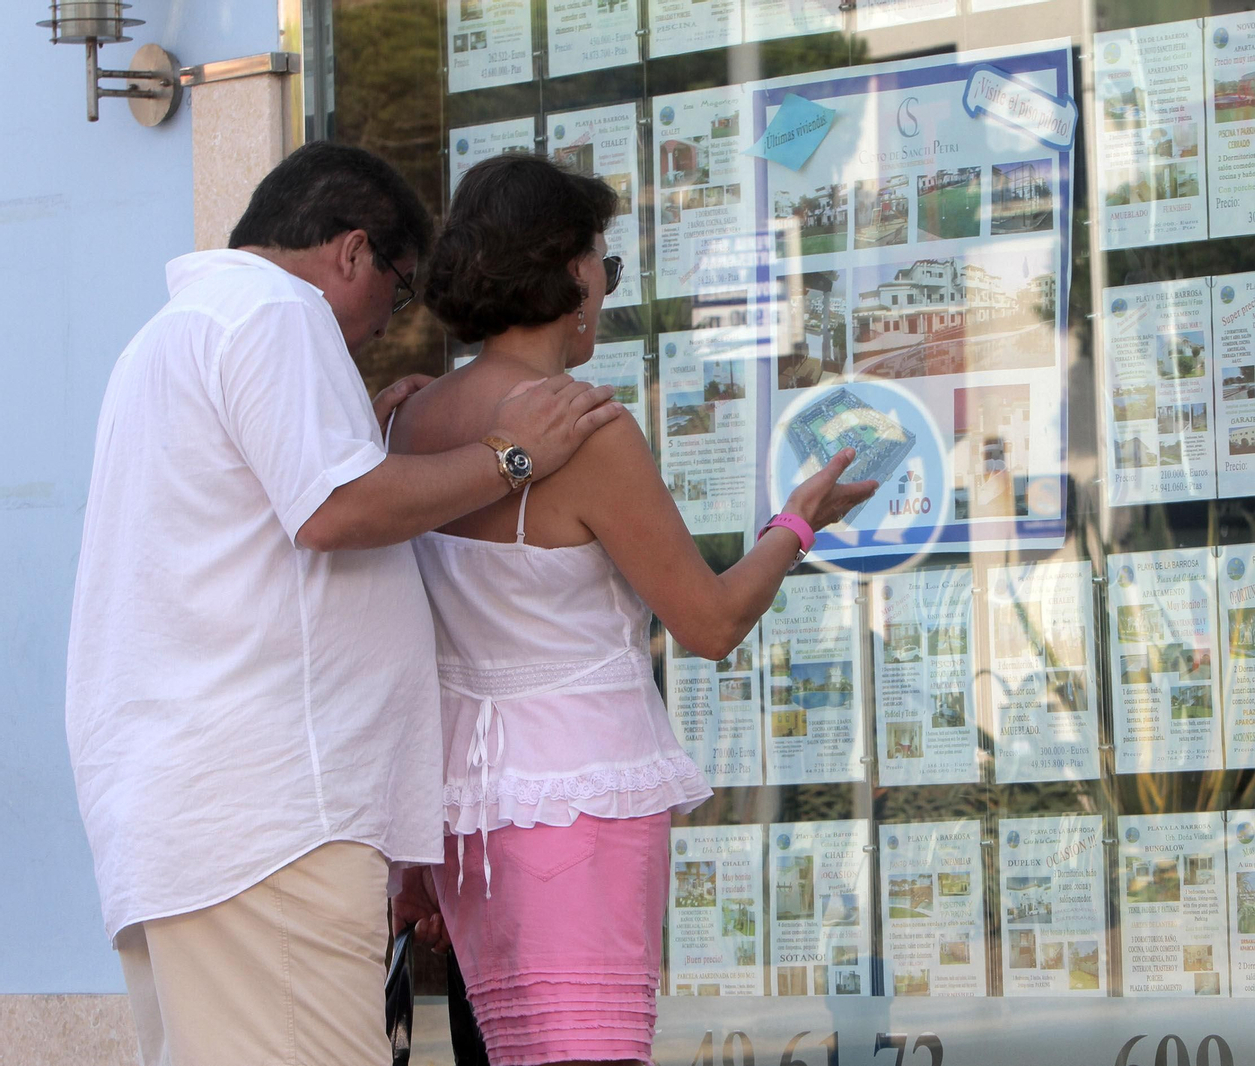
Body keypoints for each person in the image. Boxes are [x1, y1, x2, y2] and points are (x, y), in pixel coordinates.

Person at [63, 142, 625, 1066]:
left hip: (186, 825)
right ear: (353, 251)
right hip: (273, 829)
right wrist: (510, 456)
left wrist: (360, 435)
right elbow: (335, 510)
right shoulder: (278, 312)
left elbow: (260, 523)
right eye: (396, 295)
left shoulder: (170, 334)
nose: (380, 327)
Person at [386, 153, 877, 1065]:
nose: (604, 292)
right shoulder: (584, 431)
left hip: (467, 804)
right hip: (581, 795)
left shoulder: (410, 423)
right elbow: (711, 622)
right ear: (569, 274)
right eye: (604, 266)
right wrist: (797, 524)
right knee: (595, 1045)